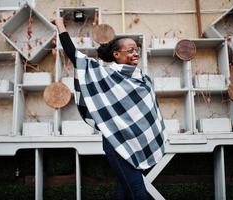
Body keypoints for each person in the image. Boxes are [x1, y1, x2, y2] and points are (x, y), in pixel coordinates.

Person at [53, 17, 166, 200]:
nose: (135, 53)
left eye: (136, 49)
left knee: (125, 192)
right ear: (116, 55)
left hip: (140, 143)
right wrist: (60, 26)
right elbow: (74, 56)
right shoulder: (105, 74)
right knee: (138, 193)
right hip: (116, 142)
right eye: (130, 50)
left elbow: (149, 112)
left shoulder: (144, 79)